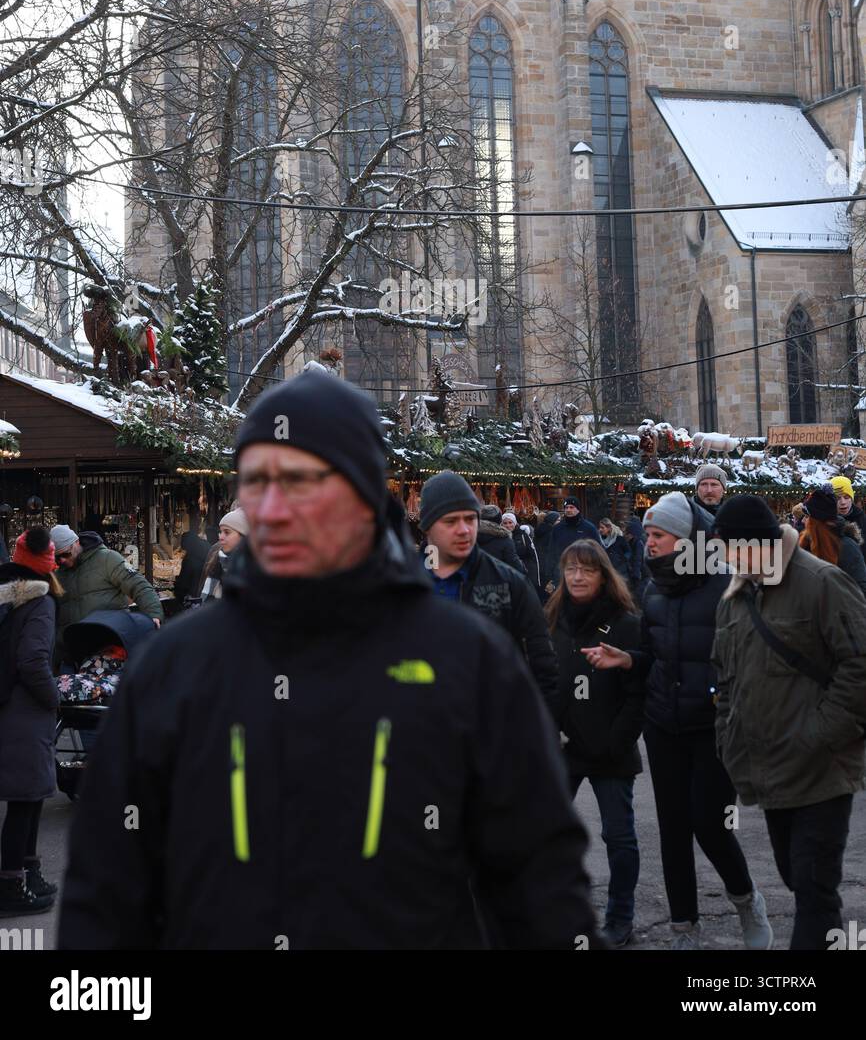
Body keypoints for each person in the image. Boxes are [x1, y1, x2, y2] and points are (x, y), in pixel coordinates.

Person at [59, 372, 602, 950]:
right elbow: (105, 897)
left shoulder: (465, 659)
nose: (273, 504)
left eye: (300, 479)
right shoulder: (175, 668)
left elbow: (541, 886)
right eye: (256, 481)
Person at [586, 491, 772, 951]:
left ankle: (746, 900)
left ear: (687, 539)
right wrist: (628, 659)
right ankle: (683, 927)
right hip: (663, 725)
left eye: (658, 535)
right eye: (647, 534)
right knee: (672, 830)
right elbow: (654, 656)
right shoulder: (654, 591)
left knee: (710, 822)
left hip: (711, 727)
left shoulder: (727, 585)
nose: (648, 542)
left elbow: (748, 655)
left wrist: (722, 697)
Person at [711, 494, 866, 951]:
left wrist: (820, 734)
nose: (723, 555)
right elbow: (724, 678)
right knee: (796, 878)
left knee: (815, 891)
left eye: (729, 546)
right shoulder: (735, 596)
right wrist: (728, 738)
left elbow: (860, 664)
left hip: (821, 771)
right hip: (768, 771)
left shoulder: (821, 582)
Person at [547, 539, 644, 948]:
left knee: (618, 837)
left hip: (610, 748)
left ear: (604, 574)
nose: (578, 576)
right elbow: (543, 679)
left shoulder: (624, 623)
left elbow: (638, 692)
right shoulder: (551, 621)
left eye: (587, 569)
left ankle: (621, 917)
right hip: (563, 749)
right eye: (571, 569)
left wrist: (616, 739)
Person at [420, 473, 558, 714]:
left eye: (470, 519)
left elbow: (543, 664)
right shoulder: (402, 582)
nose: (464, 530)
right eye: (451, 521)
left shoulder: (509, 583)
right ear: (427, 527)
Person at [0, 528, 61, 915]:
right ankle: (10, 886)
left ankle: (27, 872)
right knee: (26, 800)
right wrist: (54, 699)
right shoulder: (39, 603)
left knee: (31, 796)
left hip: (8, 705)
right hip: (25, 710)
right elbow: (32, 661)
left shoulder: (5, 594)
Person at [50, 525, 162, 654]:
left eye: (66, 554)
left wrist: (154, 615)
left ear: (76, 542)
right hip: (73, 653)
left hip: (110, 646)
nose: (62, 560)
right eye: (57, 558)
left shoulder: (107, 559)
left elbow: (139, 586)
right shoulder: (58, 575)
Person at [800, 487, 866, 601]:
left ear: (817, 523)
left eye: (807, 517)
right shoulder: (806, 543)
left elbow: (860, 590)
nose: (803, 521)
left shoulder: (847, 547)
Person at [194, 509, 250, 603]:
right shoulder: (217, 559)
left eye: (227, 532)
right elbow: (205, 599)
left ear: (243, 536)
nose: (221, 537)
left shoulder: (258, 567)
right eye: (221, 532)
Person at [476, 504, 526, 574]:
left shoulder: (471, 538)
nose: (508, 525)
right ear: (499, 520)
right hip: (499, 582)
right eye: (505, 523)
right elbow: (516, 566)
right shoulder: (505, 539)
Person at [501, 511, 541, 594]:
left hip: (523, 573)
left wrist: (534, 579)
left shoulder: (523, 535)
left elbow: (533, 557)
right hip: (505, 575)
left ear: (515, 523)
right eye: (505, 523)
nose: (508, 525)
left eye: (510, 522)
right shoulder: (499, 537)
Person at [830, 475, 866, 552]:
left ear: (851, 499)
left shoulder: (861, 518)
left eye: (846, 497)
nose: (843, 502)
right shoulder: (825, 519)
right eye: (837, 498)